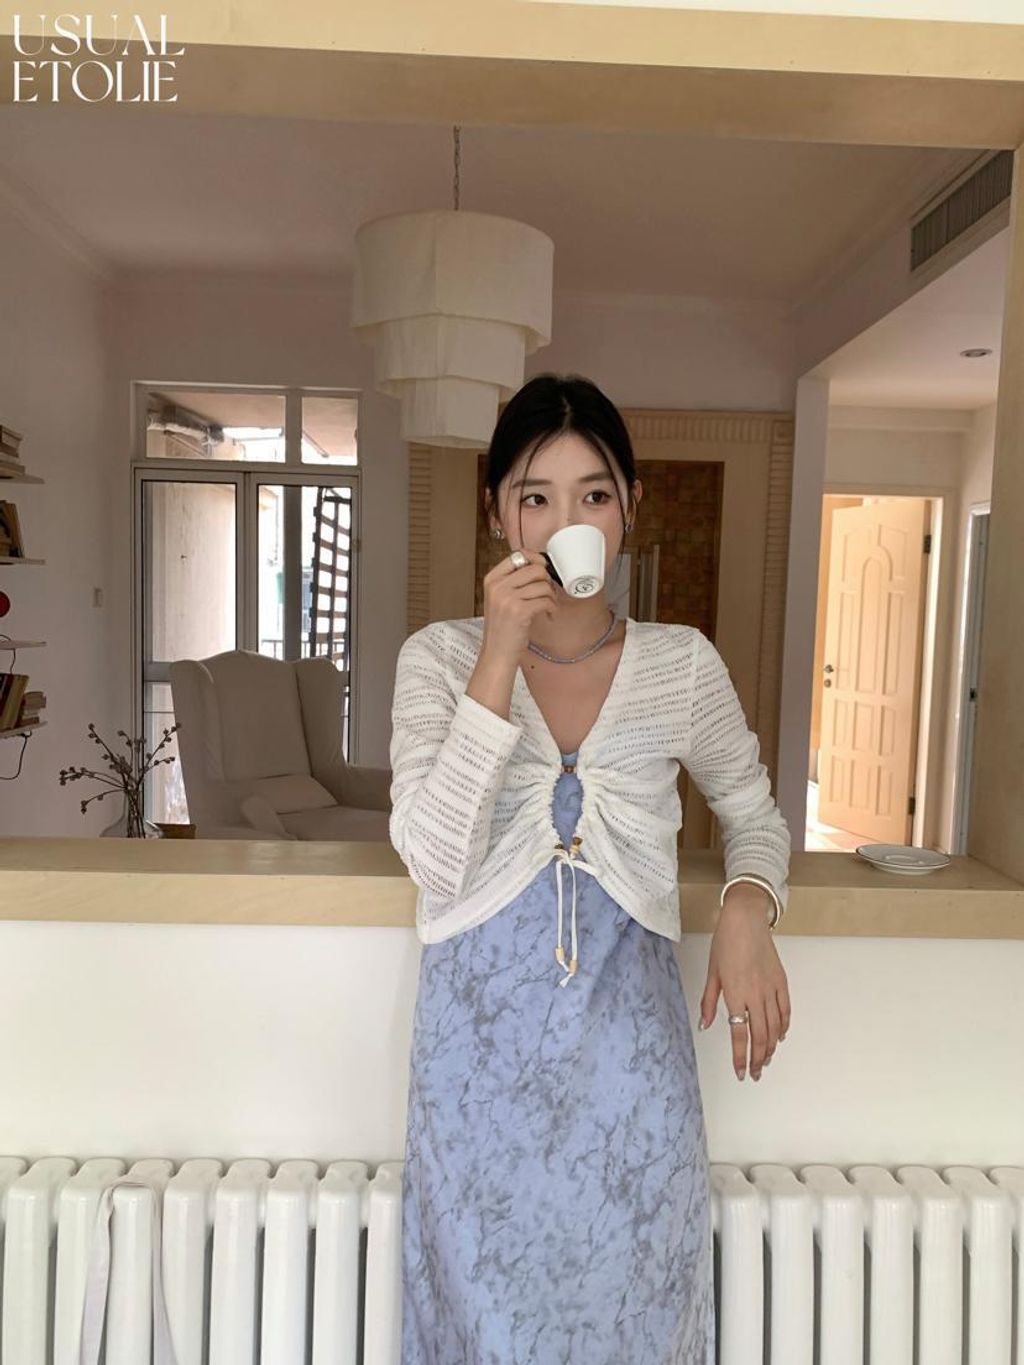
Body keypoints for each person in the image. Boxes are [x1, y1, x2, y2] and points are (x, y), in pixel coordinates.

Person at [388, 372, 792, 1364]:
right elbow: (435, 859)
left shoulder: (681, 666)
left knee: (641, 1327)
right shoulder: (436, 660)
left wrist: (746, 905)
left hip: (633, 1076)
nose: (565, 522)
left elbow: (754, 816)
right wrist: (498, 655)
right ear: (497, 513)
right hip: (476, 1083)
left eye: (594, 494)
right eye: (536, 496)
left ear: (630, 510)